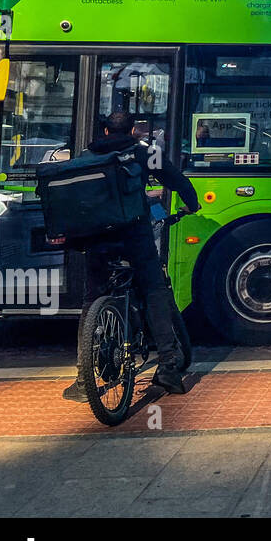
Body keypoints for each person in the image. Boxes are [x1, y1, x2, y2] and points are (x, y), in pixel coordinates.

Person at [63, 111, 201, 401]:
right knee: (155, 292)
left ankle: (83, 379)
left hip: (98, 239)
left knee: (92, 299)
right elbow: (178, 181)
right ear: (133, 131)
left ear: (104, 131)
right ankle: (168, 368)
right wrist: (192, 205)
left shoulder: (86, 156)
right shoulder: (144, 154)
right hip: (135, 237)